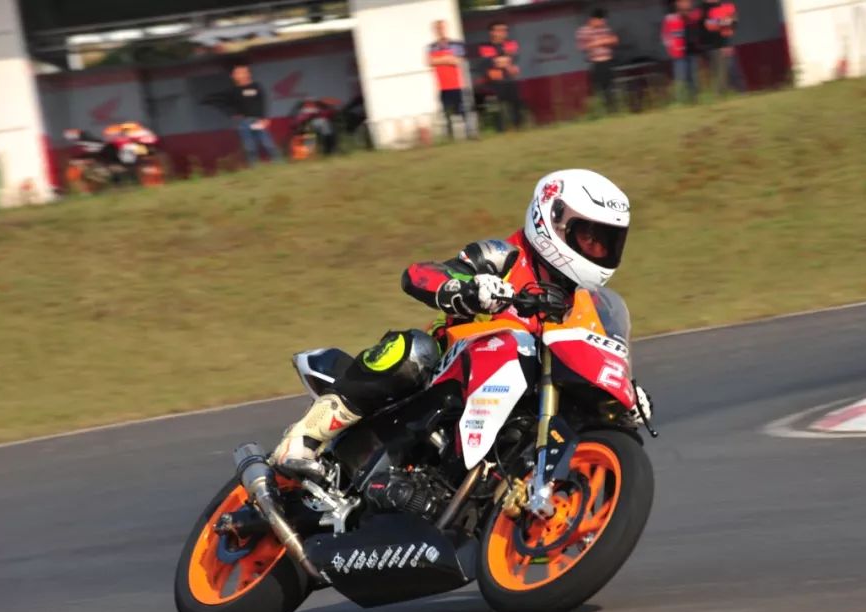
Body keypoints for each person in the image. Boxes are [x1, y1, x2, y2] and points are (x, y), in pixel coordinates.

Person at [272, 169, 652, 473]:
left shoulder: (586, 303)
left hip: (522, 395)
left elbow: (596, 351)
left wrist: (625, 394)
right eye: (589, 238)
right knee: (414, 349)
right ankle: (305, 437)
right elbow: (419, 274)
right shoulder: (505, 256)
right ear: (551, 218)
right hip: (446, 372)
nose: (598, 250)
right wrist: (468, 288)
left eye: (608, 242)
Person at [427, 20, 475, 140]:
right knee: (447, 113)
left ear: (446, 29)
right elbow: (430, 61)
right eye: (438, 28)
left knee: (463, 111)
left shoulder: (456, 44)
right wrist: (446, 58)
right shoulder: (431, 47)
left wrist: (440, 60)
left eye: (442, 28)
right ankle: (451, 137)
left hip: (457, 84)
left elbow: (458, 60)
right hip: (442, 86)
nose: (440, 30)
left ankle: (469, 133)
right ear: (435, 31)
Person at [477, 21, 525, 132]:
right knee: (498, 107)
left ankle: (518, 127)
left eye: (505, 30)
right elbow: (489, 62)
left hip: (510, 79)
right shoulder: (485, 46)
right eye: (500, 30)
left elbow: (513, 58)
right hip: (494, 82)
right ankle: (500, 129)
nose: (503, 32)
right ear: (492, 32)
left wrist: (501, 61)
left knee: (515, 104)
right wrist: (504, 61)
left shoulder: (511, 43)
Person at [229, 64, 281, 165]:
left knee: (267, 142)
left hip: (257, 120)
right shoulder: (234, 90)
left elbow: (263, 102)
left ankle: (278, 162)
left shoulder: (256, 86)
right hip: (244, 122)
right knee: (249, 146)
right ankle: (254, 166)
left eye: (241, 72)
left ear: (248, 74)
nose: (239, 75)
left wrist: (265, 118)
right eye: (236, 73)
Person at [576, 9, 620, 113]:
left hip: (608, 61)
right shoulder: (583, 31)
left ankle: (614, 110)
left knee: (611, 88)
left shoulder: (605, 29)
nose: (603, 22)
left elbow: (614, 40)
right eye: (601, 20)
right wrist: (600, 42)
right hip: (596, 63)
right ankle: (602, 111)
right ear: (594, 20)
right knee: (599, 89)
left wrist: (601, 41)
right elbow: (582, 47)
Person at [661, 0, 704, 102]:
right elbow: (665, 36)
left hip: (692, 51)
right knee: (681, 77)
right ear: (676, 4)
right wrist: (671, 49)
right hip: (678, 54)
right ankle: (681, 101)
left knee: (693, 77)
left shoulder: (694, 15)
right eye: (681, 2)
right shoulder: (670, 18)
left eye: (687, 1)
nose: (685, 3)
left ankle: (695, 100)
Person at [699, 0, 744, 96]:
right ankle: (722, 95)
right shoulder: (703, 9)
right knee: (720, 73)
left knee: (733, 70)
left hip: (725, 43)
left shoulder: (725, 6)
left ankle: (740, 92)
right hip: (713, 46)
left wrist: (723, 22)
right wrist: (724, 21)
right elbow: (708, 26)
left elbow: (734, 22)